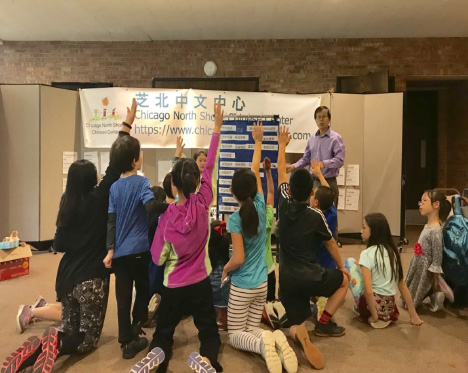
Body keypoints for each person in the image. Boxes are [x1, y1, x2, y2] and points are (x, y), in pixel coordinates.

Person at [2, 100, 136, 373]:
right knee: (86, 341)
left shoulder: (67, 204)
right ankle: (57, 344)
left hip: (65, 280)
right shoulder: (100, 199)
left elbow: (58, 244)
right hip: (91, 281)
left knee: (70, 327)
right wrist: (126, 126)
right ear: (92, 180)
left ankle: (39, 347)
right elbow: (114, 166)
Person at [148, 103, 224, 373]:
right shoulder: (204, 203)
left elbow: (157, 257)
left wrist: (169, 256)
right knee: (208, 330)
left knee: (164, 331)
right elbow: (210, 166)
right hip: (201, 281)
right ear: (196, 183)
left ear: (173, 184)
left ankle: (158, 361)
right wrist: (216, 129)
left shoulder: (167, 218)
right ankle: (209, 360)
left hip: (173, 284)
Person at [222, 123, 297, 373]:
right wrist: (259, 142)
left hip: (243, 286)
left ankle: (265, 345)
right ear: (254, 190)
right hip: (262, 285)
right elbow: (255, 170)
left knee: (235, 334)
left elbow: (238, 258)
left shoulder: (234, 220)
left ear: (233, 191)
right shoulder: (261, 203)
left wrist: (225, 269)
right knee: (252, 327)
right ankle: (272, 338)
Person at [276, 126, 350, 370]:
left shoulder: (283, 206)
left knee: (294, 322)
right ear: (311, 192)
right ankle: (324, 323)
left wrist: (282, 146)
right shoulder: (316, 214)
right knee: (343, 281)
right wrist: (342, 268)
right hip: (311, 278)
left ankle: (300, 334)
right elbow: (331, 244)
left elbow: (281, 174)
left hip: (286, 280)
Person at [104, 123, 168, 360]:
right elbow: (150, 206)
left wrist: (110, 250)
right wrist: (171, 206)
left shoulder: (113, 187)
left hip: (120, 254)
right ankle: (135, 326)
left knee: (122, 297)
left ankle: (125, 339)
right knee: (143, 291)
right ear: (134, 161)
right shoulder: (142, 182)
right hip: (140, 250)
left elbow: (111, 221)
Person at [344, 213, 423, 328]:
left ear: (374, 231)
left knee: (350, 262)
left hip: (370, 309)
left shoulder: (367, 254)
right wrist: (414, 315)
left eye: (364, 227)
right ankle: (382, 314)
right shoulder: (393, 253)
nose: (361, 231)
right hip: (390, 311)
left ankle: (361, 308)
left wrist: (375, 317)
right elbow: (402, 286)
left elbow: (369, 290)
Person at [286, 106, 344, 209]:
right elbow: (306, 159)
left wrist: (323, 163)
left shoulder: (336, 138)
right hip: (313, 182)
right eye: (318, 117)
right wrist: (294, 166)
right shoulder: (312, 139)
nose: (321, 119)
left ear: (329, 119)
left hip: (329, 182)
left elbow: (340, 160)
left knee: (330, 214)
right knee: (312, 213)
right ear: (315, 120)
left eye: (324, 116)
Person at [405, 190, 452, 311]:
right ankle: (432, 295)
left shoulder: (436, 230)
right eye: (420, 201)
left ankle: (435, 295)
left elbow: (437, 257)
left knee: (413, 297)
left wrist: (436, 280)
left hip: (425, 269)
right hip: (418, 264)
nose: (420, 204)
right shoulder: (428, 226)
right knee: (409, 292)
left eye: (424, 200)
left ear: (436, 205)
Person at [208, 220, 231, 330]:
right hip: (227, 299)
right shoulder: (230, 258)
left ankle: (215, 319)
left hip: (211, 298)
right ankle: (225, 320)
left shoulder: (207, 258)